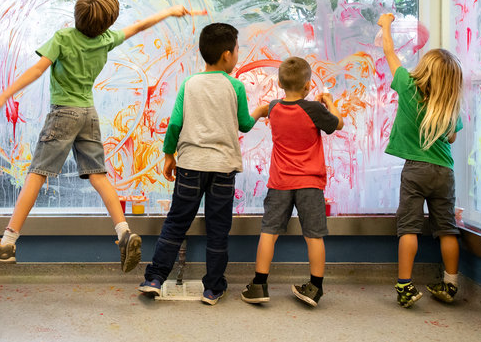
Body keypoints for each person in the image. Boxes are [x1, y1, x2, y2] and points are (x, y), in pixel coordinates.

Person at [0, 0, 189, 273]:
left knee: (36, 174)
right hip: (89, 114)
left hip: (63, 113)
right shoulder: (105, 40)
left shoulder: (63, 38)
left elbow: (37, 70)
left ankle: (7, 243)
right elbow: (139, 27)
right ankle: (123, 232)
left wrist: (3, 97)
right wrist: (169, 11)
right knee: (98, 175)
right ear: (107, 24)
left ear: (77, 16)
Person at [138, 23, 268, 305]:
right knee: (218, 229)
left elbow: (174, 124)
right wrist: (261, 110)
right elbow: (244, 124)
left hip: (191, 165)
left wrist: (169, 155)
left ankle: (154, 278)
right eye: (236, 51)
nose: (237, 55)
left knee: (175, 223)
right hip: (222, 168)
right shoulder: (235, 86)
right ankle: (212, 288)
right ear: (226, 55)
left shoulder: (189, 84)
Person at [240, 56, 343, 307]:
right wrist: (329, 102)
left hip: (280, 183)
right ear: (308, 86)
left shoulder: (274, 108)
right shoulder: (315, 110)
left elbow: (263, 111)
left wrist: (256, 112)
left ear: (279, 82)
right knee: (314, 236)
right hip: (310, 184)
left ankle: (259, 285)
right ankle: (315, 288)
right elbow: (338, 123)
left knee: (269, 232)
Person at [377, 13, 464, 308]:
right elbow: (451, 138)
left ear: (424, 68)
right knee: (447, 229)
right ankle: (450, 284)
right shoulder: (450, 104)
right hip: (444, 172)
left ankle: (405, 286)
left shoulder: (407, 85)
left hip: (415, 171)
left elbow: (390, 52)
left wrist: (386, 25)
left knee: (409, 228)